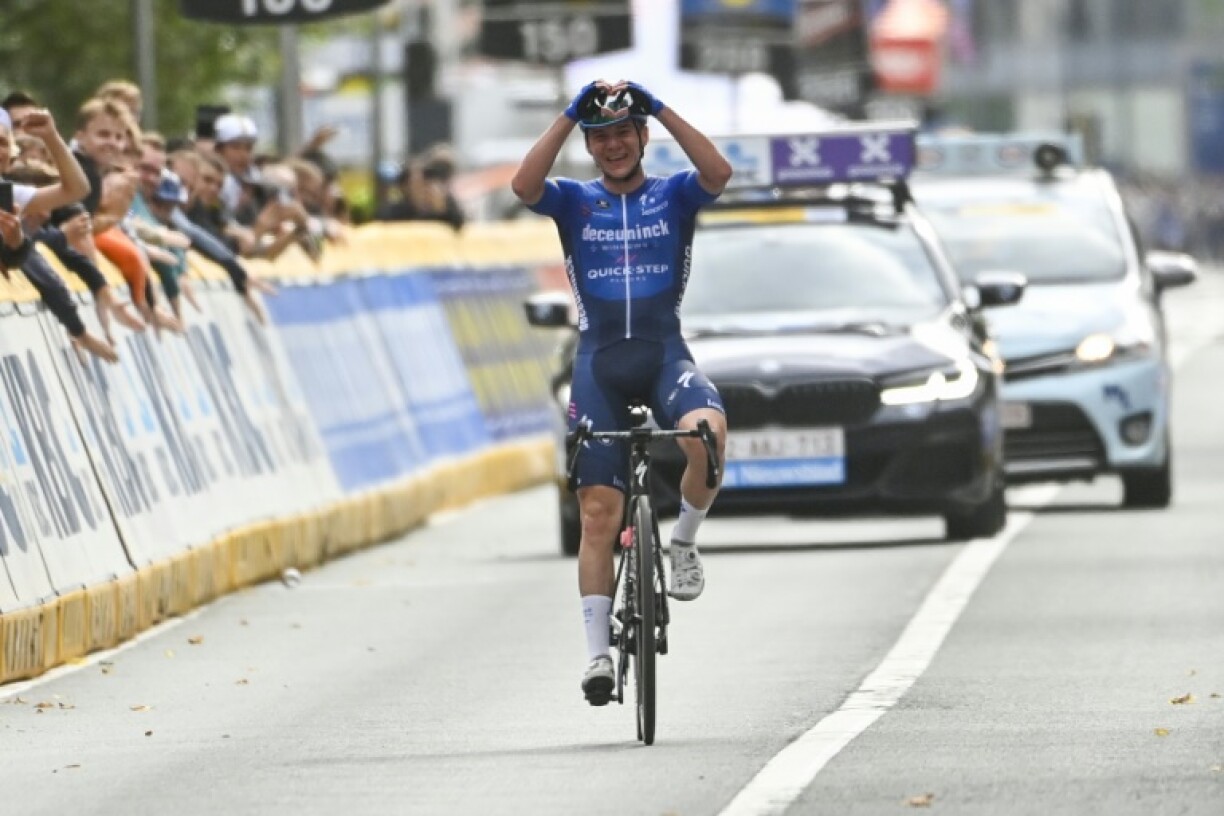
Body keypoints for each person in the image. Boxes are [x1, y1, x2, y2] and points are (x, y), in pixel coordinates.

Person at [510, 79, 732, 705]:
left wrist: (657, 104)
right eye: (600, 136)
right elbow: (524, 188)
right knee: (599, 516)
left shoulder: (675, 194)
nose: (612, 146)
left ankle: (683, 540)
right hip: (600, 364)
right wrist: (567, 114)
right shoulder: (576, 201)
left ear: (642, 139)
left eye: (622, 133)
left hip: (663, 356)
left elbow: (718, 170)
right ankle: (597, 656)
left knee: (709, 433)